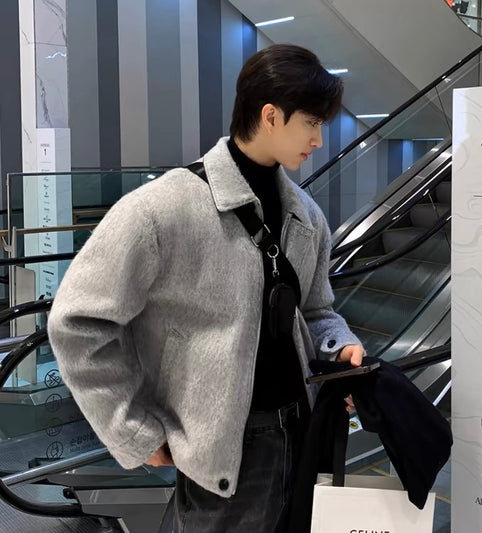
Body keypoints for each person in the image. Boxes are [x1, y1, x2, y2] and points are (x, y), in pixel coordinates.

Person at [47, 43, 364, 532]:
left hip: (302, 432)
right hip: (221, 456)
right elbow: (78, 322)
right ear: (271, 116)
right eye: (312, 123)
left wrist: (339, 345)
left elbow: (316, 311)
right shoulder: (160, 211)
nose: (319, 140)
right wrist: (132, 430)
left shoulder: (307, 216)